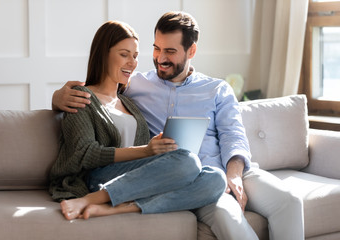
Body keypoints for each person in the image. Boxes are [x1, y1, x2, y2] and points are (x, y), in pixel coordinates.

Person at [52, 12, 305, 239]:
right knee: (228, 214)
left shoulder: (216, 89)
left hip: (227, 171)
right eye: (156, 49)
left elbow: (233, 135)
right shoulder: (136, 84)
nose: (160, 58)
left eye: (170, 52)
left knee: (290, 201)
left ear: (191, 51)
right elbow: (98, 92)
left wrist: (235, 175)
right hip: (181, 174)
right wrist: (57, 99)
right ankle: (105, 202)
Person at [48, 20, 226, 221]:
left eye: (135, 56)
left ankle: (118, 208)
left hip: (136, 178)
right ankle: (92, 199)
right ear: (103, 54)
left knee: (216, 179)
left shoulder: (129, 101)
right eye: (124, 55)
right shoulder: (82, 96)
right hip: (97, 177)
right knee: (188, 161)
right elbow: (84, 154)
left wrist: (158, 153)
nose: (132, 63)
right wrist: (146, 151)